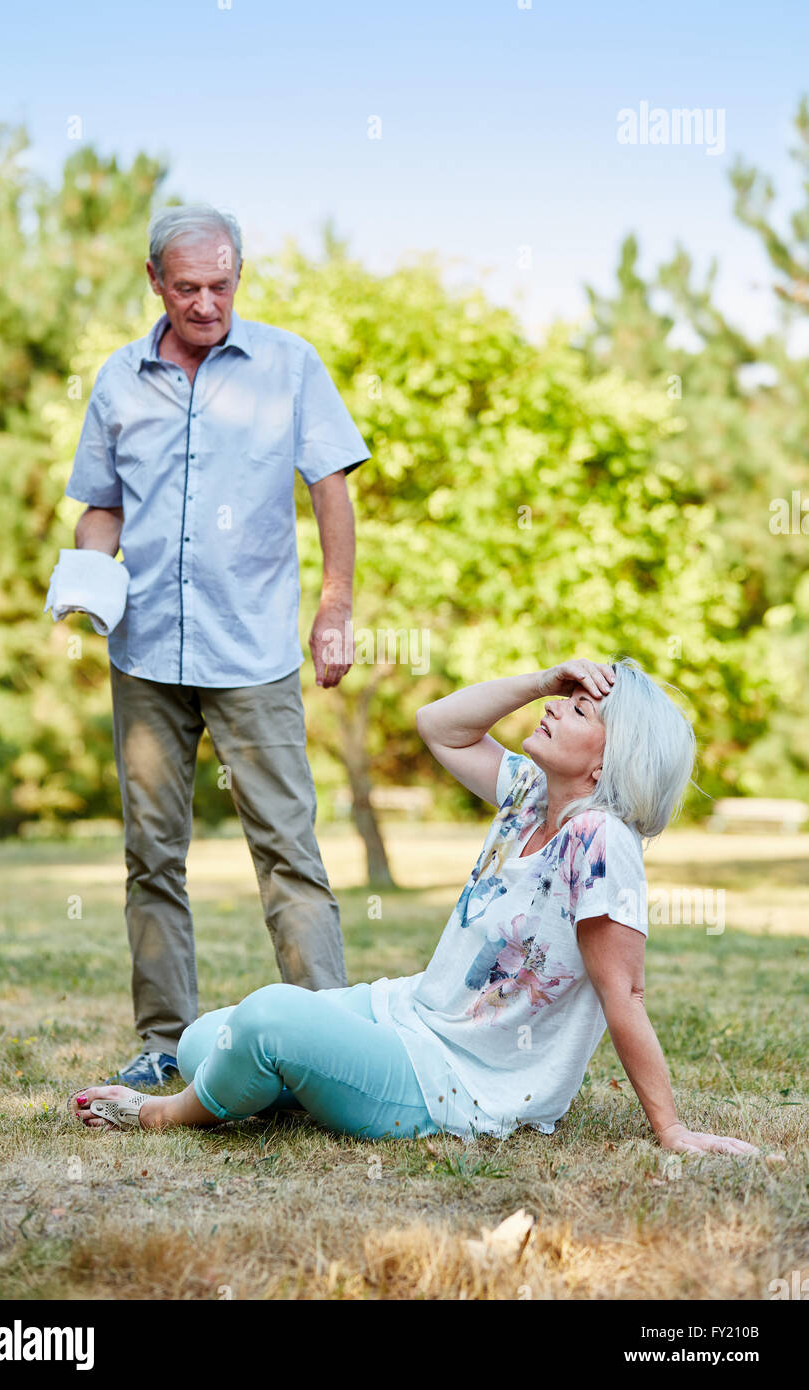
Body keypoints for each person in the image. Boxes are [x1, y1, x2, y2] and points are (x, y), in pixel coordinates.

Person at [70, 656, 759, 1158]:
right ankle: (281, 1081)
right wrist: (544, 679)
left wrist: (672, 1130)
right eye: (565, 699)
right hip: (409, 1016)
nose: (553, 708)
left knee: (267, 1018)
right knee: (201, 1041)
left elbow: (626, 993)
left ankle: (165, 1117)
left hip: (456, 1081)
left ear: (609, 766)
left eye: (577, 710)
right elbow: (439, 725)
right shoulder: (528, 796)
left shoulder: (599, 840)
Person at [63, 204, 371, 1089]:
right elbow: (101, 505)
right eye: (189, 287)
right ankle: (165, 1043)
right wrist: (90, 576)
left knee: (288, 848)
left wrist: (336, 605)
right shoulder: (119, 381)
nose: (207, 304)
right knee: (151, 856)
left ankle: (327, 1046)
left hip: (254, 652)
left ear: (240, 276)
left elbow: (331, 488)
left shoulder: (289, 364)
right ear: (154, 282)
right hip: (145, 651)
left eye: (223, 285)